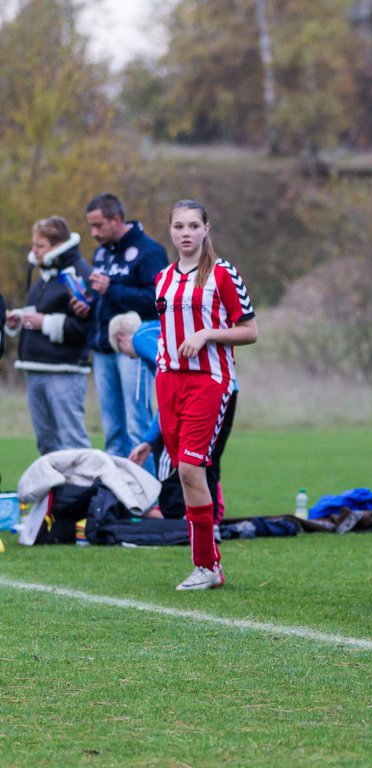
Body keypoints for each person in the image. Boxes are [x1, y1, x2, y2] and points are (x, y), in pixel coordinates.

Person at [153, 199, 258, 591]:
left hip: (209, 381)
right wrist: (161, 370)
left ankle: (207, 566)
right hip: (169, 383)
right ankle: (206, 556)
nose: (186, 233)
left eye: (193, 225)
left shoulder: (222, 274)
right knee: (184, 470)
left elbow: (250, 330)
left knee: (192, 468)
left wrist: (207, 334)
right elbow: (165, 333)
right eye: (179, 226)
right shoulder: (162, 278)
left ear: (206, 229)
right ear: (170, 230)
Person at [109, 311, 237, 523]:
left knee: (175, 458)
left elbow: (168, 376)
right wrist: (149, 441)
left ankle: (178, 520)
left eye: (124, 352)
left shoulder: (141, 337)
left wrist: (151, 440)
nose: (131, 358)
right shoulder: (159, 327)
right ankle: (211, 525)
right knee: (209, 463)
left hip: (202, 391)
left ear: (121, 338)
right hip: (228, 386)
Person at [73, 193, 168, 469]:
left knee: (136, 426)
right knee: (113, 431)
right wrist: (87, 304)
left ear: (116, 220)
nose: (93, 233)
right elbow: (103, 299)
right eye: (91, 226)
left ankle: (149, 501)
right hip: (103, 349)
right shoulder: (101, 253)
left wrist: (111, 289)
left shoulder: (150, 252)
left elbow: (157, 299)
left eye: (98, 226)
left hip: (134, 350)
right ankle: (118, 499)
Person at [5, 216, 93, 454]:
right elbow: (43, 314)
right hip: (36, 368)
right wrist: (22, 318)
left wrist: (45, 322)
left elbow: (85, 328)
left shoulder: (76, 276)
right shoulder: (43, 277)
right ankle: (55, 492)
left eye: (40, 246)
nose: (34, 252)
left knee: (71, 440)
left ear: (58, 245)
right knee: (46, 442)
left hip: (64, 371)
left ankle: (80, 490)